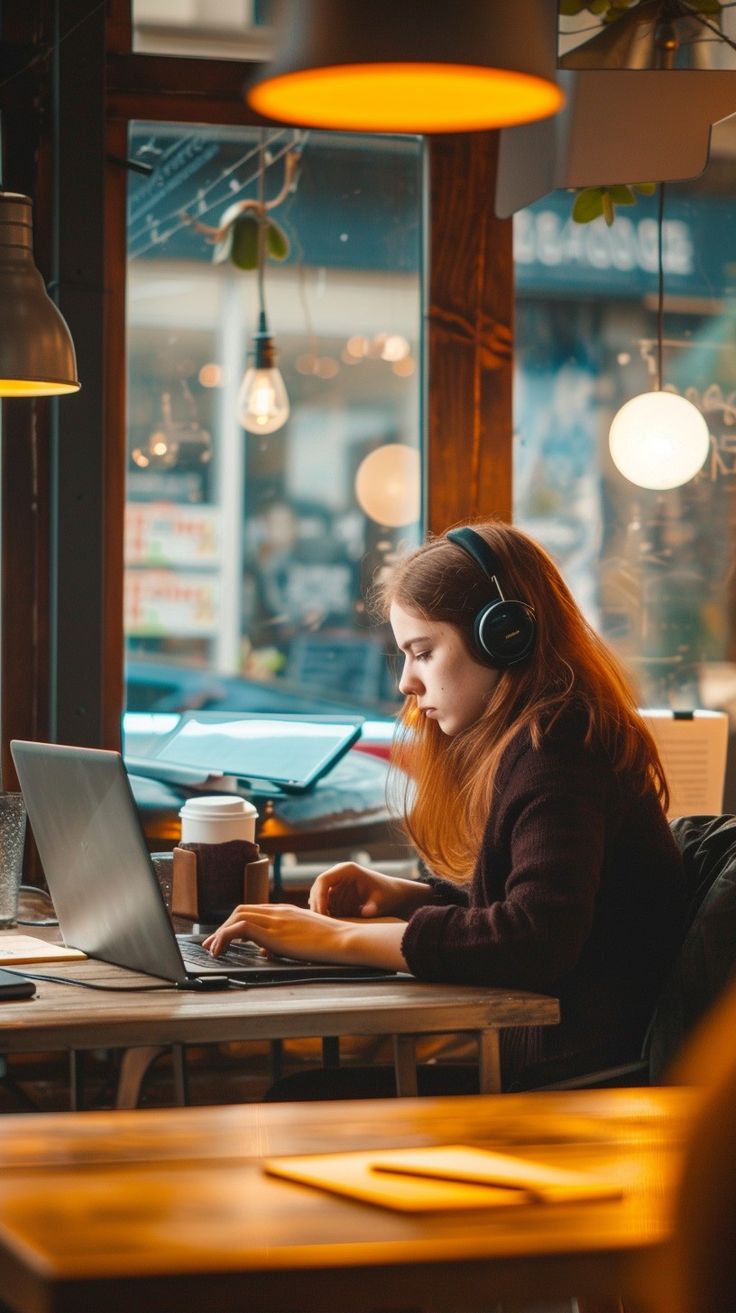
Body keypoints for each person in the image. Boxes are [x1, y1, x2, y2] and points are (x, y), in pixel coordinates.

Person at [204, 520, 686, 1090]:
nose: (407, 681)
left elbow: (535, 936)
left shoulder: (561, 752)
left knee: (299, 1095)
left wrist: (333, 938)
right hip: (547, 1066)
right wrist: (405, 896)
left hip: (577, 1091)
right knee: (304, 1091)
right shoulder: (540, 739)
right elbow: (522, 897)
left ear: (504, 636)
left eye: (423, 653)